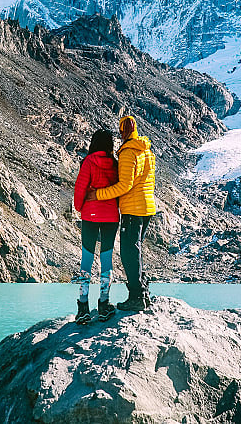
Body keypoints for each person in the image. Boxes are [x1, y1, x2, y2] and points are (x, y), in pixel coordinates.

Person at [88, 115, 156, 312]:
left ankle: (136, 297)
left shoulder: (128, 153)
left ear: (122, 131)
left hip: (133, 210)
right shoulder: (147, 151)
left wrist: (98, 195)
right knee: (136, 250)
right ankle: (143, 294)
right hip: (147, 207)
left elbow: (124, 186)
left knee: (128, 253)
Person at [72, 129, 120, 324]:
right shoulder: (116, 164)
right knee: (106, 259)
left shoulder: (88, 162)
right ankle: (104, 304)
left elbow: (80, 188)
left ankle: (83, 306)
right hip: (110, 215)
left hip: (90, 214)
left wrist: (79, 207)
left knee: (87, 258)